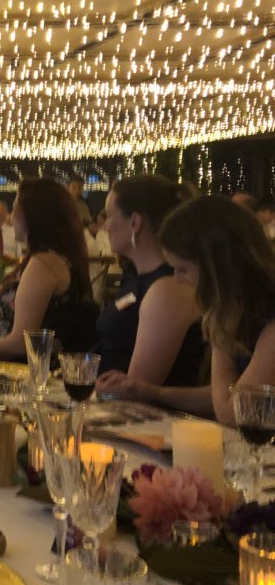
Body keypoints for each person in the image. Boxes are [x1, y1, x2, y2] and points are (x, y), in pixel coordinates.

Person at [92, 177, 209, 414]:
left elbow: (134, 391)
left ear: (135, 222)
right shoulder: (135, 278)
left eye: (109, 216)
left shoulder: (167, 289)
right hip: (103, 402)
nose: (104, 226)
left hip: (138, 420)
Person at [158, 196, 275, 426]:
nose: (177, 279)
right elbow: (225, 393)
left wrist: (219, 329)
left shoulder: (268, 320)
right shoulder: (245, 309)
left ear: (218, 266)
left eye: (183, 269)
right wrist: (153, 393)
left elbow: (232, 413)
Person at [0, 178, 98, 359]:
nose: (9, 217)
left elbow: (20, 342)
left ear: (32, 216)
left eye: (14, 210)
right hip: (4, 360)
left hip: (15, 369)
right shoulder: (51, 258)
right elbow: (5, 327)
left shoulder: (44, 265)